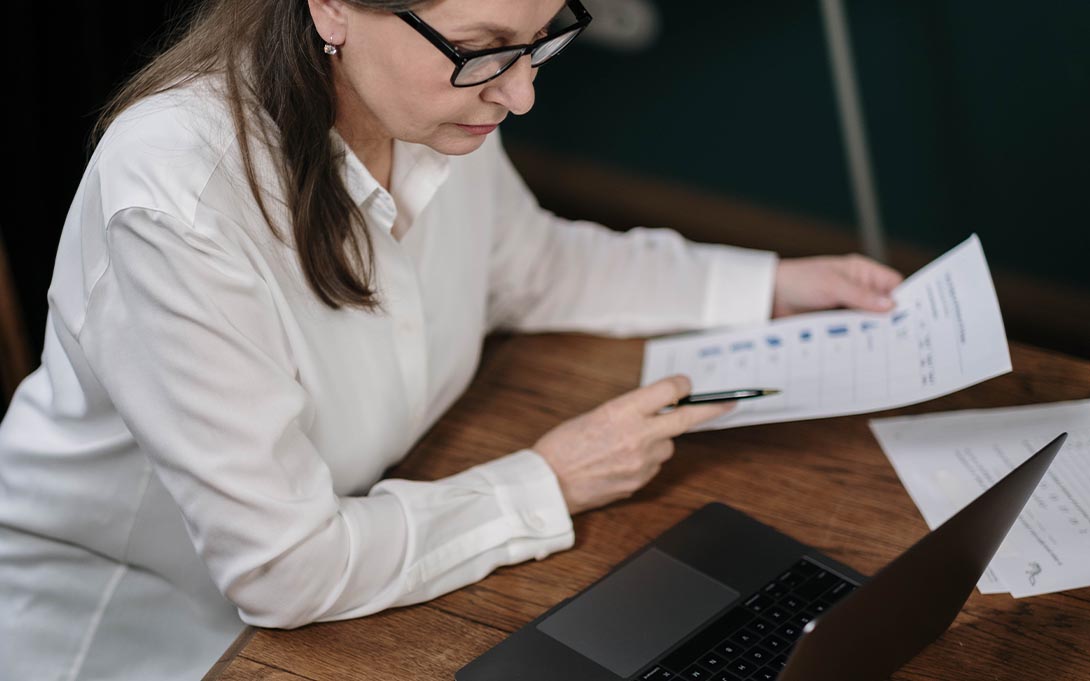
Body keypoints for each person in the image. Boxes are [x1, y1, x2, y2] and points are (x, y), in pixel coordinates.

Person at [0, 0, 904, 678]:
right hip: (145, 631)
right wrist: (552, 479)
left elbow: (533, 265)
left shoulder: (432, 108)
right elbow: (285, 568)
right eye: (481, 53)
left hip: (369, 550)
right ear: (329, 8)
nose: (522, 92)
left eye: (544, 33)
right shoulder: (176, 201)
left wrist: (768, 287)